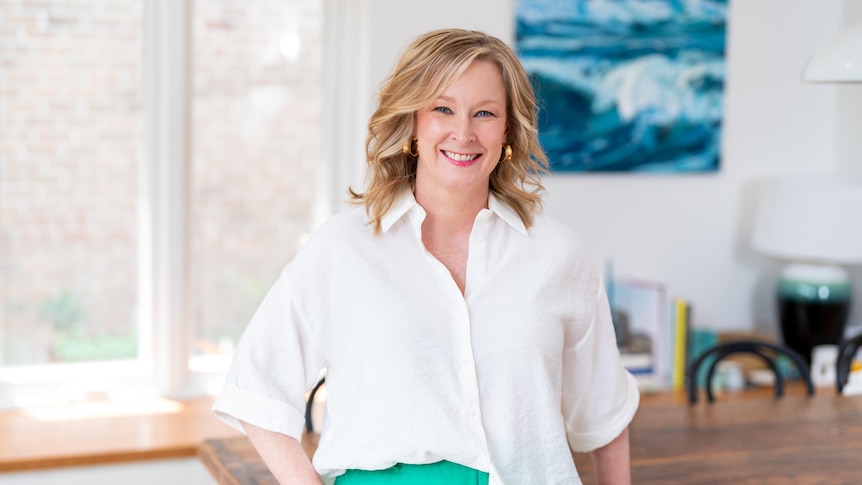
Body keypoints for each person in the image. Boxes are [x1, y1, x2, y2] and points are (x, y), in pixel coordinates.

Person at [213, 28, 640, 485]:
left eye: (484, 113)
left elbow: (605, 415)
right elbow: (256, 385)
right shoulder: (342, 248)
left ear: (508, 130)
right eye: (442, 109)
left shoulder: (558, 254)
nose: (463, 132)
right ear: (412, 123)